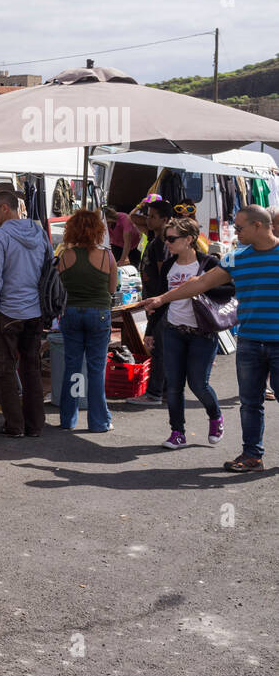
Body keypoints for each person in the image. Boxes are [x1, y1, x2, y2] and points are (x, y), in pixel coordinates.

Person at [142, 205, 276, 472]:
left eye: (239, 228)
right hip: (249, 342)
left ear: (258, 226)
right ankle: (252, 456)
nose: (235, 233)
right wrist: (161, 299)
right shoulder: (236, 258)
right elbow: (199, 284)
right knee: (250, 403)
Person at [151, 217, 232, 450]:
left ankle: (215, 416)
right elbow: (161, 299)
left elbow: (230, 288)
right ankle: (177, 432)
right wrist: (150, 331)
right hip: (173, 330)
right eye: (166, 238)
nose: (167, 243)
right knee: (174, 385)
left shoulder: (209, 263)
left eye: (172, 238)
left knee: (198, 383)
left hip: (202, 332)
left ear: (189, 239)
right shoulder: (168, 265)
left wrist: (201, 285)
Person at [0, 184, 51, 438]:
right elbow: (48, 269)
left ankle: (15, 425)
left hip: (7, 312)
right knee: (31, 368)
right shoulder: (38, 231)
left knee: (2, 368)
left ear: (5, 208)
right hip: (33, 311)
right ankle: (35, 425)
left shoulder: (0, 237)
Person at [55, 209, 118, 433]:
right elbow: (112, 289)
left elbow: (59, 288)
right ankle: (99, 421)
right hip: (99, 313)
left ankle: (68, 419)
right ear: (98, 230)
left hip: (70, 312)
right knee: (96, 368)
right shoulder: (107, 256)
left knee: (72, 367)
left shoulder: (64, 256)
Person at [131, 199, 174, 405]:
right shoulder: (155, 238)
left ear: (165, 219)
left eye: (153, 216)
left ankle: (155, 392)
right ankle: (163, 390)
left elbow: (162, 272)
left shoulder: (161, 243)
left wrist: (158, 300)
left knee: (158, 348)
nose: (148, 220)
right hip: (157, 300)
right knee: (159, 347)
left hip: (160, 301)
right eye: (147, 215)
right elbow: (133, 217)